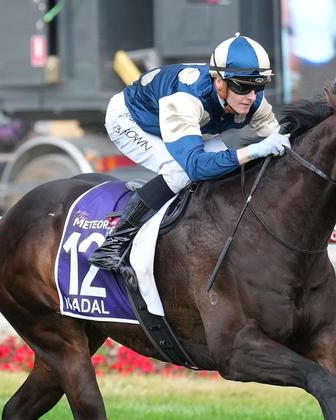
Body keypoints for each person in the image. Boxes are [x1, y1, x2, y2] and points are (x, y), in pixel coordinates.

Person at [88, 34, 291, 272]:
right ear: (219, 82)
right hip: (132, 120)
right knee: (180, 172)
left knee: (229, 174)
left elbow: (282, 140)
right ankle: (113, 244)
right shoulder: (185, 99)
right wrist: (253, 150)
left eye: (259, 86)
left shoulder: (253, 100)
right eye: (243, 87)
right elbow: (196, 166)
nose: (251, 96)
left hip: (190, 125)